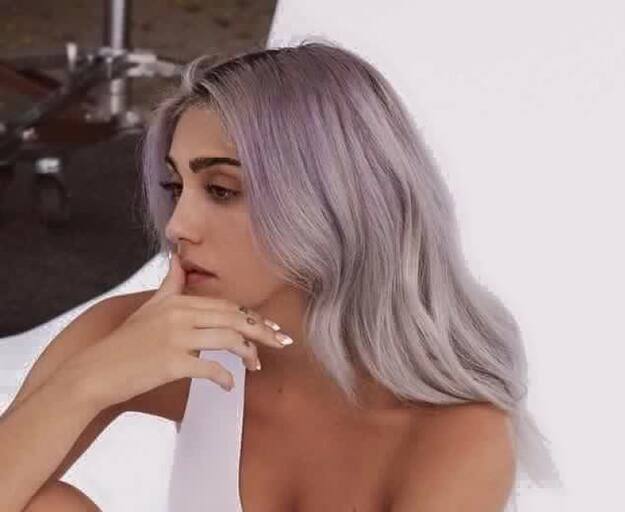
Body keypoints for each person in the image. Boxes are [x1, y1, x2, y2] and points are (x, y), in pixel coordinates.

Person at [1, 39, 561, 511]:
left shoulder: (457, 433)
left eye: (222, 190)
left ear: (333, 203)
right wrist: (86, 383)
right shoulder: (143, 338)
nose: (177, 226)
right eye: (175, 188)